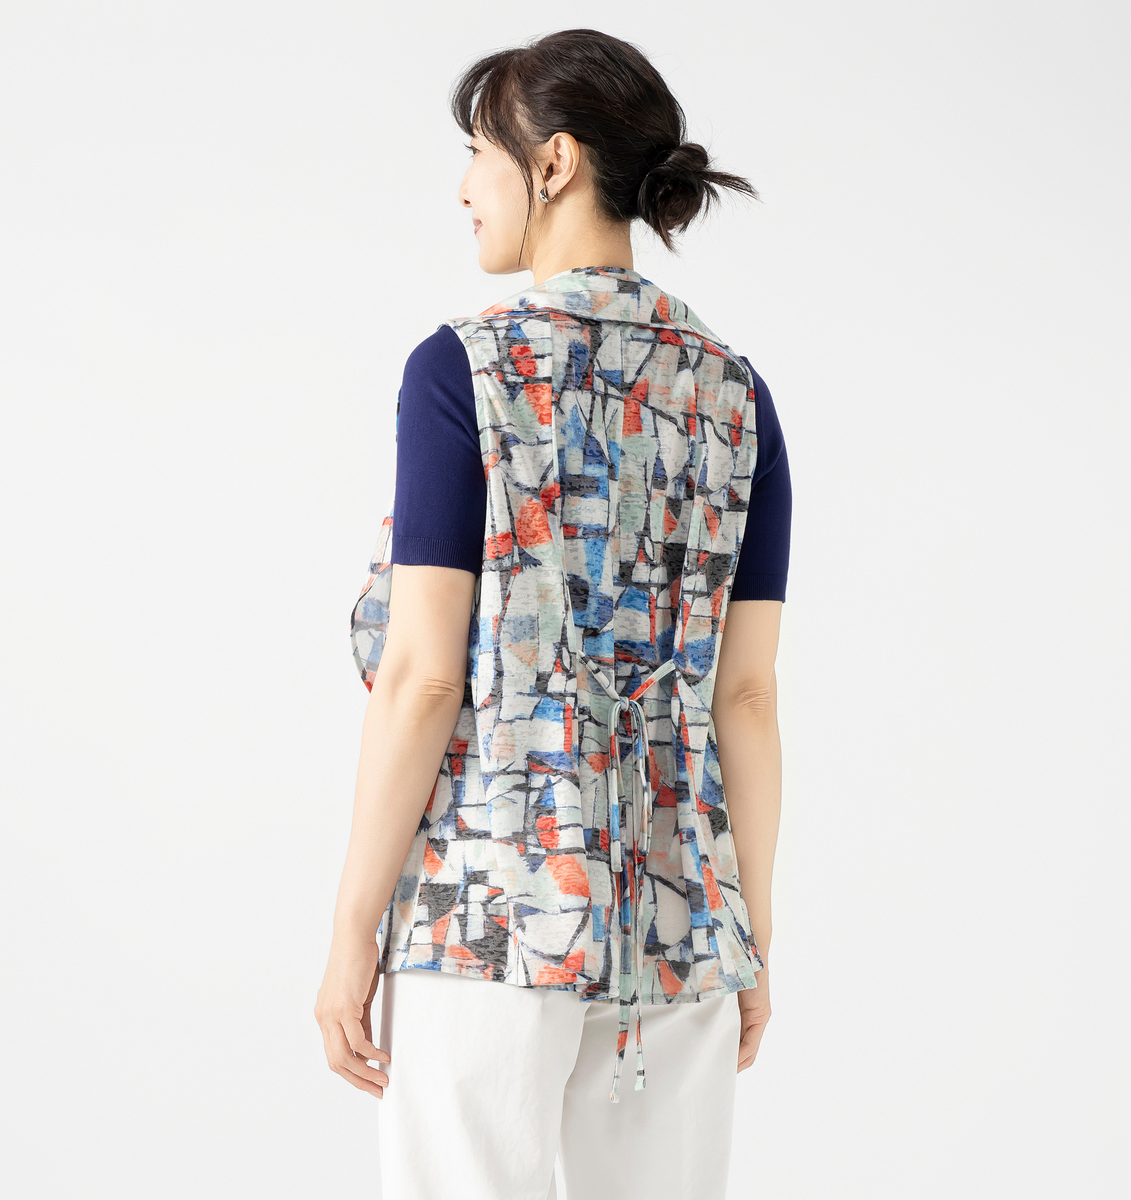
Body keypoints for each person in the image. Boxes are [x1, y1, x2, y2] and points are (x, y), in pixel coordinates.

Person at [315, 28, 791, 1200]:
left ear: (556, 163)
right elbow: (746, 695)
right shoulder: (737, 394)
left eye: (479, 151)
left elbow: (425, 677)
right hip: (681, 926)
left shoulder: (462, 372)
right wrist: (749, 936)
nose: (464, 186)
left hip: (489, 915)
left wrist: (352, 929)